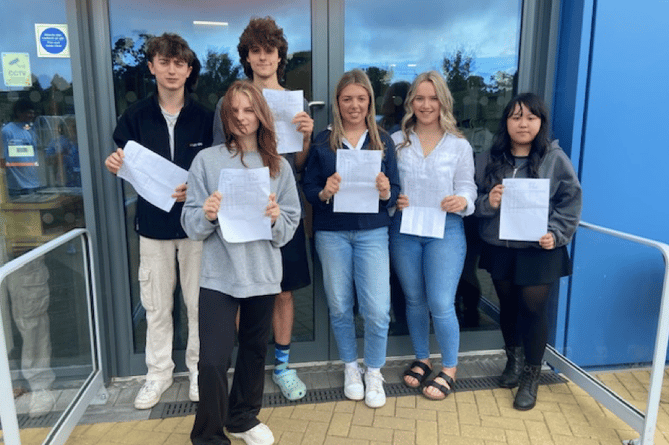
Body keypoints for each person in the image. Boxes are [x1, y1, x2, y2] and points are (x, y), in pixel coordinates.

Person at [183, 80, 300, 445]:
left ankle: (243, 418)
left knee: (253, 351)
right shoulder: (206, 160)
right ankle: (208, 435)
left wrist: (275, 217)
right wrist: (207, 214)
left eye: (249, 110)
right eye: (234, 110)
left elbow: (289, 227)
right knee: (213, 361)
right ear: (225, 116)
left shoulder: (279, 167)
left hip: (263, 274)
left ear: (262, 114)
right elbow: (190, 224)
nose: (241, 117)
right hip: (218, 275)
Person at [105, 33, 213, 409]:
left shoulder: (205, 118)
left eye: (179, 63)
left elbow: (217, 170)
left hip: (196, 228)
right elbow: (125, 162)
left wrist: (196, 189)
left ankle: (198, 372)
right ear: (151, 67)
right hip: (152, 229)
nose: (172, 70)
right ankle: (158, 374)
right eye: (164, 62)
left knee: (198, 305)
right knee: (156, 305)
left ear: (188, 70)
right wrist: (114, 164)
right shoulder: (133, 118)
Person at [212, 16, 313, 401]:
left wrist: (305, 136)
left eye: (269, 50)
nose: (263, 57)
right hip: (241, 208)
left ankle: (284, 365)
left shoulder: (296, 103)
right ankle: (250, 362)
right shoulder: (232, 102)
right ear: (247, 56)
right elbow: (218, 157)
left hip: (280, 209)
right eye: (255, 50)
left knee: (284, 291)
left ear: (279, 55)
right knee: (244, 289)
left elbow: (299, 166)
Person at [474, 93, 582, 410]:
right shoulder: (488, 160)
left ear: (540, 123)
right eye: (516, 117)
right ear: (506, 122)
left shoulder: (554, 158)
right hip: (501, 246)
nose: (523, 123)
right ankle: (514, 361)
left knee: (533, 310)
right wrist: (488, 203)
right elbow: (474, 202)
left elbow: (571, 201)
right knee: (507, 306)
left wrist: (557, 234)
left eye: (531, 117)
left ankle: (531, 377)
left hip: (540, 248)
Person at [303, 69, 399, 408]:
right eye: (347, 99)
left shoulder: (383, 140)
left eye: (361, 99)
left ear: (369, 101)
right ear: (338, 103)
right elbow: (309, 188)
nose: (354, 105)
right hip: (331, 234)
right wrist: (324, 192)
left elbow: (396, 189)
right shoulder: (321, 141)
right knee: (340, 305)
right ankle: (350, 367)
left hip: (373, 232)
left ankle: (373, 370)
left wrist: (388, 191)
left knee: (376, 309)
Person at [390, 71, 476, 400]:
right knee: (414, 300)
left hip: (446, 230)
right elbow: (386, 184)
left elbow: (468, 186)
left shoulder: (459, 145)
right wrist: (393, 198)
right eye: (420, 98)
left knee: (441, 302)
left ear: (443, 102)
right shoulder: (396, 141)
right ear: (411, 102)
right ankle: (423, 359)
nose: (426, 105)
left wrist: (463, 200)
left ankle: (450, 367)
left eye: (433, 98)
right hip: (406, 230)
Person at [1, 99, 42, 198]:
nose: (31, 116)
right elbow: (2, 159)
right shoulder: (6, 131)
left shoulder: (29, 131)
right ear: (18, 112)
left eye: (33, 113)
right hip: (17, 188)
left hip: (34, 184)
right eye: (28, 112)